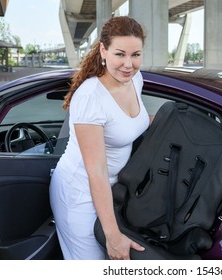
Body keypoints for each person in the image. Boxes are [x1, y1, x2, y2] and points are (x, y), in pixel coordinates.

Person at [49, 16, 149, 260]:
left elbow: (131, 123)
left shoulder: (135, 80)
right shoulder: (91, 98)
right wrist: (112, 235)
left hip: (112, 192)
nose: (128, 64)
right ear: (103, 51)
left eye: (136, 54)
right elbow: (96, 171)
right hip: (79, 194)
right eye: (120, 54)